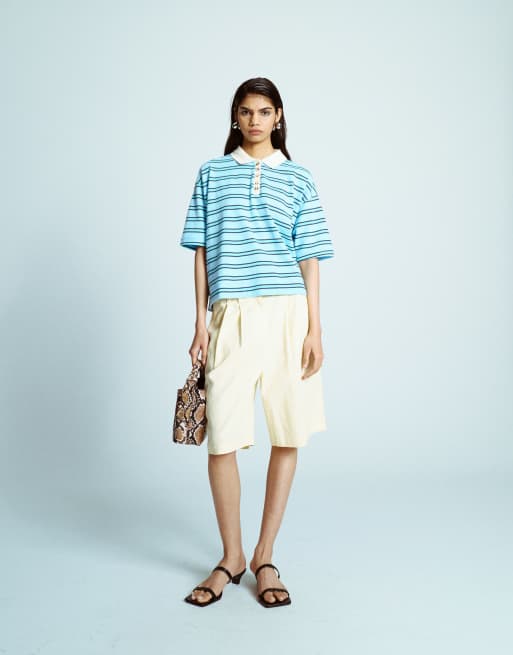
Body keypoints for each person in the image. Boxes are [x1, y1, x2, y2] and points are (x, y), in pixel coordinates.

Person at [179, 77, 334, 608]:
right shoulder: (211, 173)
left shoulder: (299, 177)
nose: (254, 121)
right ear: (235, 117)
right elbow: (200, 251)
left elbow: (309, 257)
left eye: (264, 112)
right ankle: (232, 556)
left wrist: (315, 328)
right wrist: (200, 323)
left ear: (279, 116)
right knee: (221, 438)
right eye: (246, 112)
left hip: (288, 313)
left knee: (287, 431)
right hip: (231, 314)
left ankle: (265, 555)